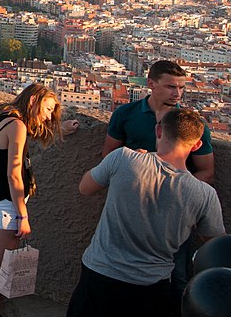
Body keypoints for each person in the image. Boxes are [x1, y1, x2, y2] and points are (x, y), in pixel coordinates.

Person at [68, 108, 224, 317]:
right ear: (197, 145)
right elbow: (215, 245)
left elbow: (85, 188)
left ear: (158, 131)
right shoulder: (204, 194)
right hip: (152, 286)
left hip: (100, 275)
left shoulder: (123, 159)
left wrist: (136, 158)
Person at [102, 60, 216, 300]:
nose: (177, 93)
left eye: (181, 88)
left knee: (177, 278)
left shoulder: (191, 125)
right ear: (151, 84)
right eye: (171, 87)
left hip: (172, 215)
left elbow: (207, 171)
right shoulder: (126, 114)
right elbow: (108, 157)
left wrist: (180, 196)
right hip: (130, 209)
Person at [0, 83, 77, 317]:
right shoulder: (17, 126)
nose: (49, 116)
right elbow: (14, 174)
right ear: (32, 102)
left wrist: (59, 130)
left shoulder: (1, 111)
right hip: (6, 208)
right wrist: (22, 215)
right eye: (47, 109)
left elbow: (23, 135)